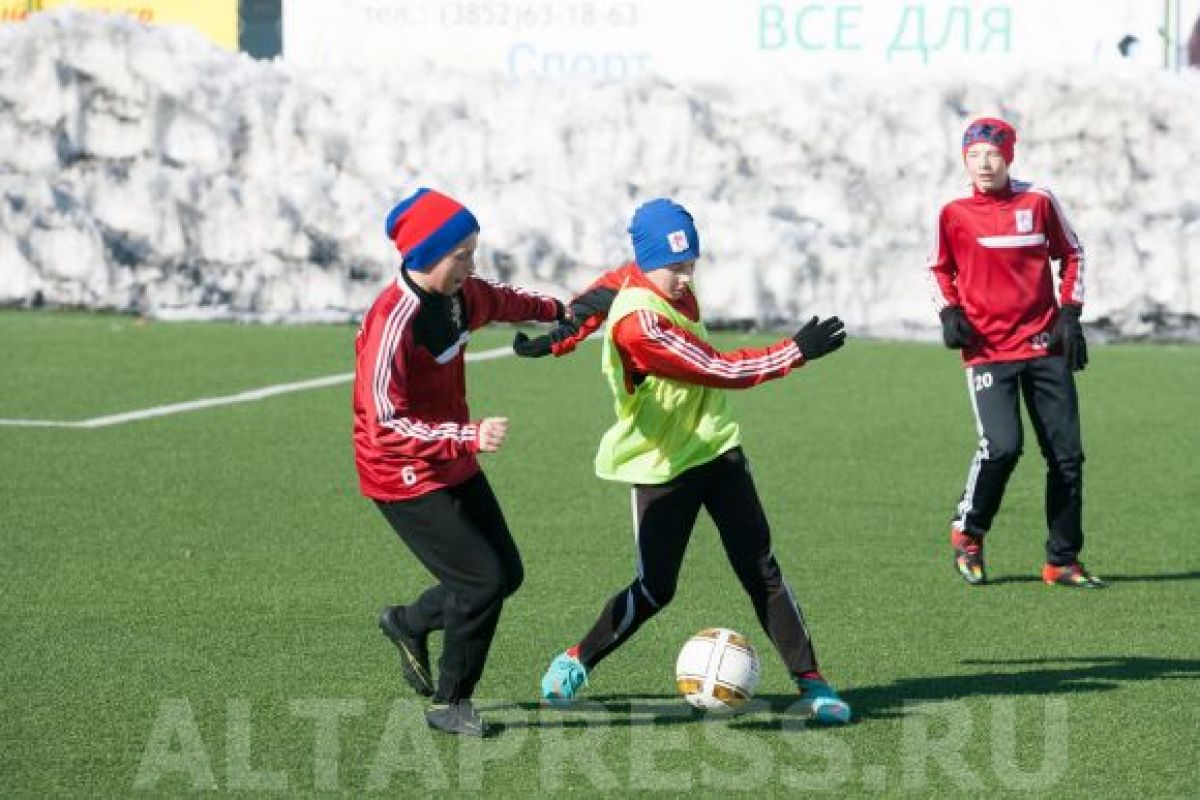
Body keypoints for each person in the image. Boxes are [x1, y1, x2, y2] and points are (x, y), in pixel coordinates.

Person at [515, 198, 854, 724]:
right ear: (648, 261)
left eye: (691, 264)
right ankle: (577, 659)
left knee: (760, 567)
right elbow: (717, 369)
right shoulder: (640, 326)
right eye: (674, 267)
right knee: (656, 589)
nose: (685, 278)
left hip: (716, 447)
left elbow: (595, 298)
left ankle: (813, 683)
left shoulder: (646, 278)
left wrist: (563, 335)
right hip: (661, 465)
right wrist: (795, 351)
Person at [353, 187, 568, 736]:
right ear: (425, 255)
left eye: (473, 252)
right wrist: (466, 435)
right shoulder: (392, 321)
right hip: (400, 470)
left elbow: (505, 300)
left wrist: (560, 311)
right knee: (481, 582)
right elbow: (385, 422)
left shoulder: (462, 295)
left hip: (449, 455)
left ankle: (408, 622)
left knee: (505, 574)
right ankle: (450, 703)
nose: (471, 266)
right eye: (461, 255)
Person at [927, 117, 1104, 589]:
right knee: (1002, 447)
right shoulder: (953, 211)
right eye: (974, 155)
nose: (984, 164)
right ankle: (969, 533)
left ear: (1009, 156)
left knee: (1066, 456)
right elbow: (938, 268)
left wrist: (1070, 314)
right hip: (987, 348)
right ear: (965, 160)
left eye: (993, 154)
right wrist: (949, 311)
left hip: (1045, 344)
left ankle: (1062, 560)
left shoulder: (1038, 200)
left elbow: (1073, 253)